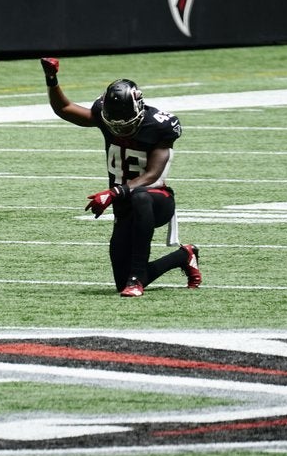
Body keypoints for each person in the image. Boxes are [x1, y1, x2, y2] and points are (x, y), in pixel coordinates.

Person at [40, 57, 202, 297]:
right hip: (123, 204)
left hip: (157, 199)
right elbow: (64, 109)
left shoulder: (159, 125)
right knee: (119, 282)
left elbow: (152, 174)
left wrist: (114, 192)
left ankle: (136, 281)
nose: (118, 127)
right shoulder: (105, 115)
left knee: (140, 198)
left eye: (124, 122)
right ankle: (184, 255)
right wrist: (52, 79)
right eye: (113, 122)